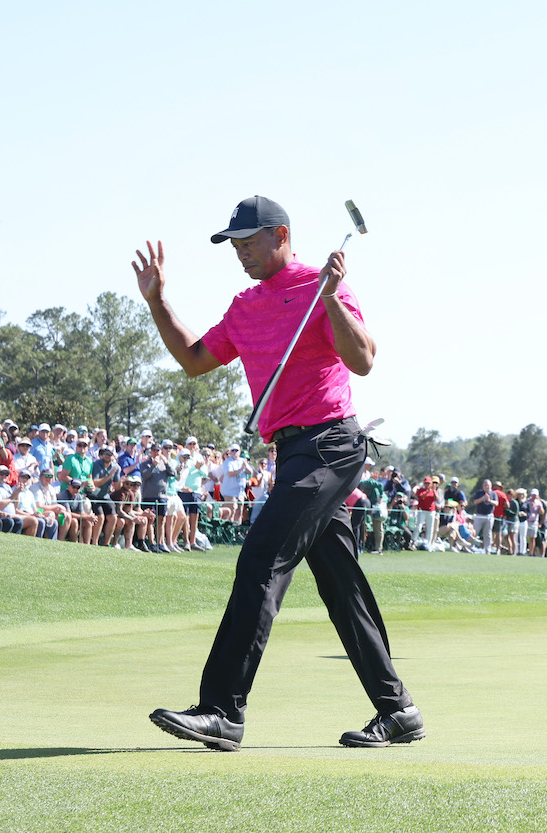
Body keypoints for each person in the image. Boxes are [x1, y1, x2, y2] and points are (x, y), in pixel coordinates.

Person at [134, 194, 422, 752]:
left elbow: (362, 359)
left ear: (282, 235)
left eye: (249, 243)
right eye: (234, 246)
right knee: (340, 583)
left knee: (262, 559)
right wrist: (158, 302)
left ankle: (222, 710)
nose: (240, 253)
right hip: (292, 454)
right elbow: (195, 360)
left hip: (332, 443)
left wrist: (333, 297)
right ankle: (398, 709)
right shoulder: (245, 306)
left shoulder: (323, 283)